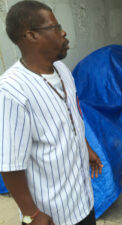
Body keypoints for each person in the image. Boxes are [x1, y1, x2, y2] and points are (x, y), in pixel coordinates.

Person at [0, 1, 103, 224]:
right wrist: (31, 214)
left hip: (83, 201)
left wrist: (86, 148)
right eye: (55, 27)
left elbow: (70, 116)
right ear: (31, 35)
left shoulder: (62, 70)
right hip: (52, 215)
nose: (64, 32)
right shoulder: (11, 91)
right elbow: (9, 165)